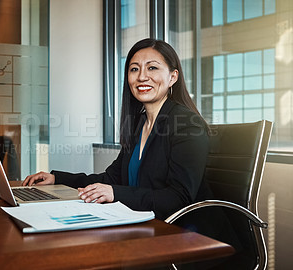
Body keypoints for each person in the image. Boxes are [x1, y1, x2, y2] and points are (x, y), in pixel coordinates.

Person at [23, 38, 211, 221]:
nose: (142, 76)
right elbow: (111, 178)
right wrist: (57, 178)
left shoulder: (187, 124)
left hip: (188, 233)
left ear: (173, 77)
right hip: (146, 224)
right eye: (134, 69)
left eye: (152, 67)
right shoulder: (140, 124)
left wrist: (115, 193)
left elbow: (179, 198)